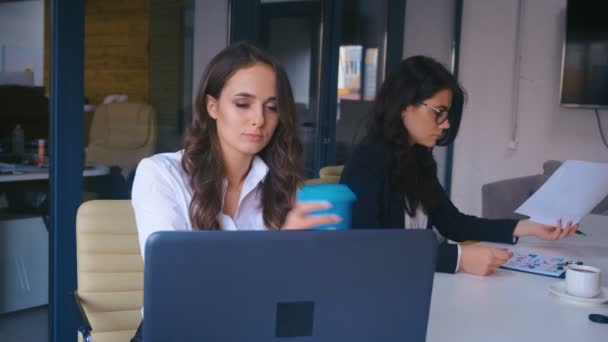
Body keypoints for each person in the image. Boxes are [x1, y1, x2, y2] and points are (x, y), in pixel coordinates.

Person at [129, 42, 339, 342]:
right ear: (212, 106)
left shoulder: (283, 186)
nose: (259, 119)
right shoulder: (160, 174)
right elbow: (179, 290)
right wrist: (282, 250)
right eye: (243, 103)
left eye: (272, 106)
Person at [339, 55, 578, 276]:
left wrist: (528, 227)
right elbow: (367, 250)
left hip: (416, 284)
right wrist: (457, 257)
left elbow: (454, 224)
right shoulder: (367, 163)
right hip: (383, 293)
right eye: (438, 112)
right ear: (405, 105)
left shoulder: (417, 158)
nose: (445, 125)